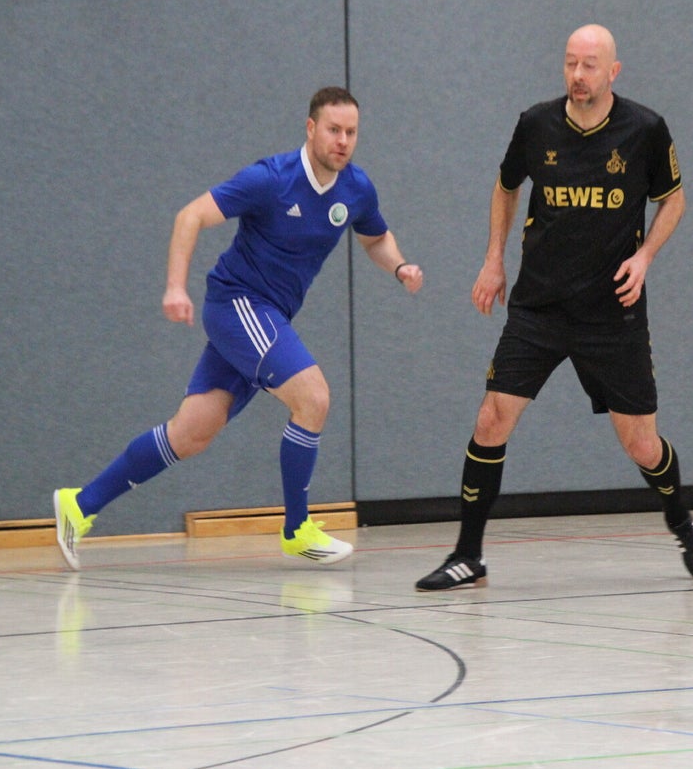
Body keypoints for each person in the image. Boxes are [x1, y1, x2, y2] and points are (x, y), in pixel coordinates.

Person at [54, 86, 423, 570]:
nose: (343, 141)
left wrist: (399, 266)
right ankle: (296, 530)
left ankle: (79, 504)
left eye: (351, 132)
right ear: (311, 128)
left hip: (268, 317)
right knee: (313, 397)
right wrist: (175, 287)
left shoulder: (356, 189)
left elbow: (376, 238)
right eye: (334, 130)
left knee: (191, 433)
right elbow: (190, 216)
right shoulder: (270, 179)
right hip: (238, 304)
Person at [415, 25, 693, 592]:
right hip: (540, 307)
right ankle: (468, 554)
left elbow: (673, 200)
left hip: (612, 311)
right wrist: (494, 260)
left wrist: (645, 256)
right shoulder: (536, 124)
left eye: (590, 65)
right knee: (491, 419)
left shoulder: (645, 129)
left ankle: (685, 528)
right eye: (571, 63)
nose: (578, 75)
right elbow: (506, 186)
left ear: (613, 72)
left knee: (641, 443)